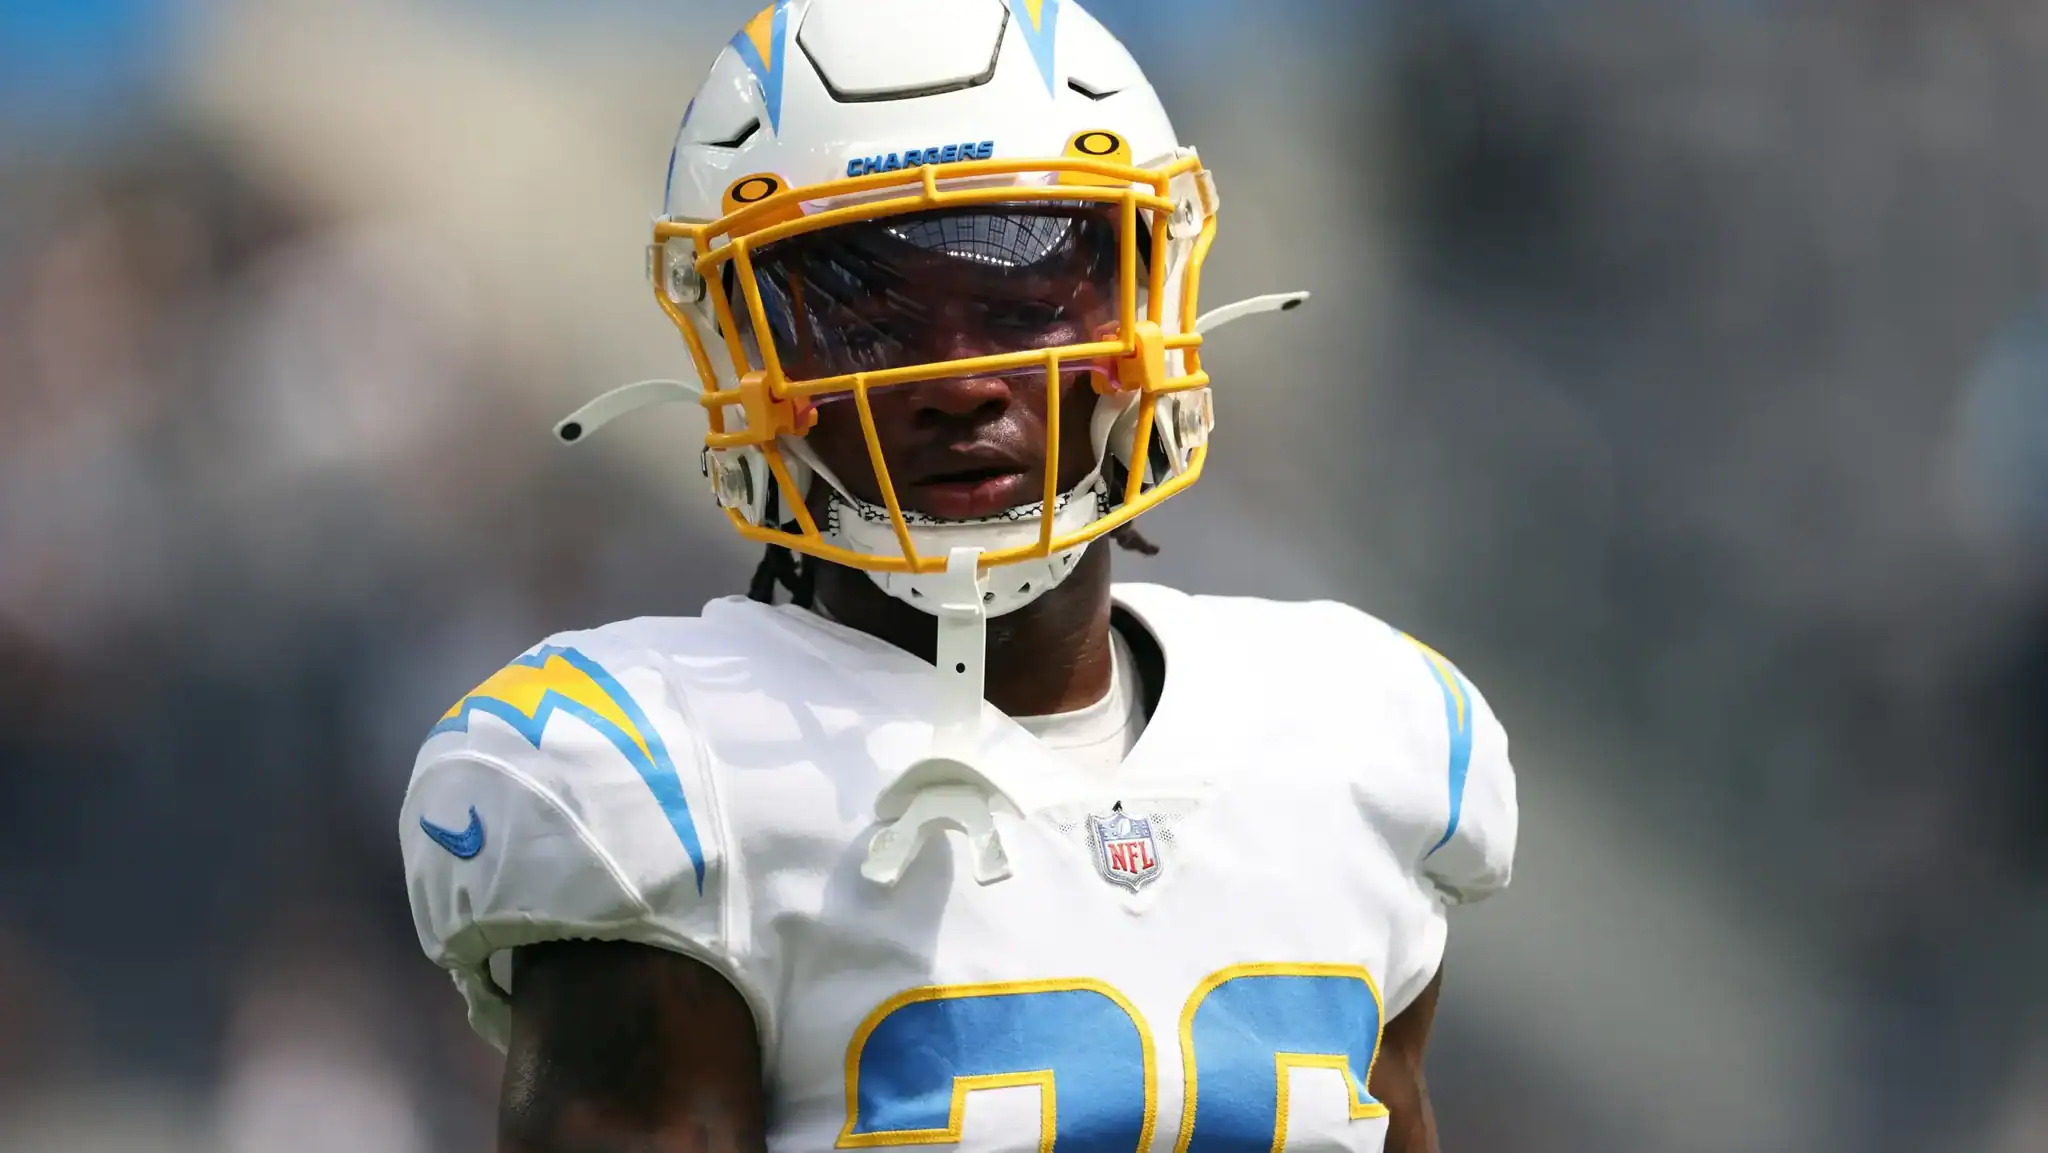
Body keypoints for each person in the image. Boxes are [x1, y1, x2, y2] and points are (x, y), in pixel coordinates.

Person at [399, 2, 1518, 1151]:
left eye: (1023, 306)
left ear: (1147, 299)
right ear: (742, 352)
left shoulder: (1355, 736)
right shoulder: (658, 777)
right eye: (863, 323)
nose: (955, 379)